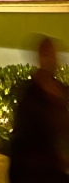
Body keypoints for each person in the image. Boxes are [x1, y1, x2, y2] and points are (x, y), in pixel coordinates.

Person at [9, 37, 69, 183]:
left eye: (54, 55)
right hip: (34, 173)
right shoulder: (30, 96)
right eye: (48, 55)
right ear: (40, 58)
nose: (53, 60)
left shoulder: (59, 90)